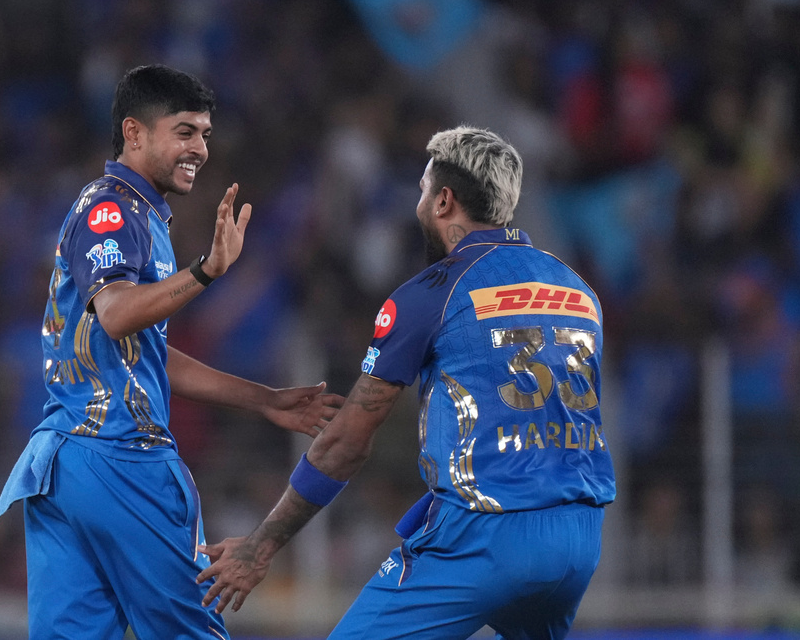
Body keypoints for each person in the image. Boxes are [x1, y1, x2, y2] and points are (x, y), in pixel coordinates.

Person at [198, 126, 617, 639]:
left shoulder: (430, 293)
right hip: (578, 535)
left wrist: (259, 547)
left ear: (443, 201)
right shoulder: (577, 288)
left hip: (485, 535)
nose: (418, 203)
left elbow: (346, 444)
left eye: (422, 191)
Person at [0, 64, 339, 640]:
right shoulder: (114, 209)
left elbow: (141, 350)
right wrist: (206, 270)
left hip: (63, 468)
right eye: (184, 131)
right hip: (120, 458)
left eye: (204, 133)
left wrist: (265, 400)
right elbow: (119, 312)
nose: (200, 148)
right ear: (134, 133)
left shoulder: (135, 213)